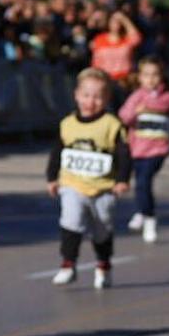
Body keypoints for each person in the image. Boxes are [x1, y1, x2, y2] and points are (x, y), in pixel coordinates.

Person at [46, 67, 133, 288]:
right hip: (72, 183)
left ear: (107, 98)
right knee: (71, 220)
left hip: (103, 187)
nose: (90, 101)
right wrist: (52, 178)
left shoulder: (112, 125)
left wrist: (123, 179)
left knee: (102, 228)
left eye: (97, 96)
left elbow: (123, 154)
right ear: (76, 95)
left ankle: (103, 263)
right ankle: (68, 264)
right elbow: (57, 152)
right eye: (86, 95)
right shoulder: (67, 124)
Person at [118, 57, 169, 243]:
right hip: (137, 149)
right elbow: (123, 117)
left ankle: (149, 218)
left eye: (155, 75)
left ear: (162, 77)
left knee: (144, 182)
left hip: (158, 150)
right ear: (139, 78)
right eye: (147, 75)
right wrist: (136, 112)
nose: (151, 79)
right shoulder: (137, 96)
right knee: (140, 184)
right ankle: (142, 210)